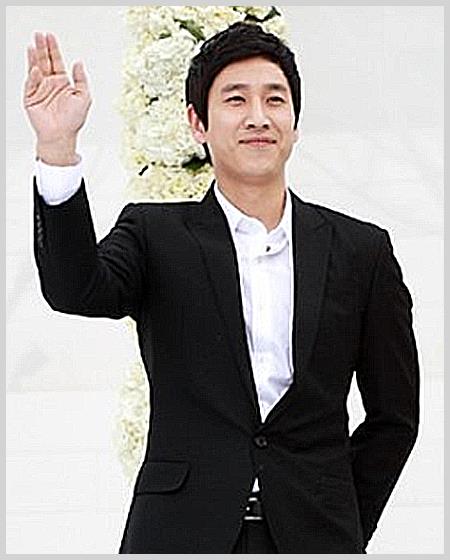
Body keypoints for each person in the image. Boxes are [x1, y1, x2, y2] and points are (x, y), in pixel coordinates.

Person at [23, 22, 420, 554]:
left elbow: (395, 416)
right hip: (179, 535)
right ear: (198, 123)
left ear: (295, 122)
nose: (258, 116)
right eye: (236, 100)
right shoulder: (154, 234)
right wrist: (57, 150)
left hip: (316, 537)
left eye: (274, 99)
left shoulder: (361, 250)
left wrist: (341, 522)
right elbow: (75, 289)